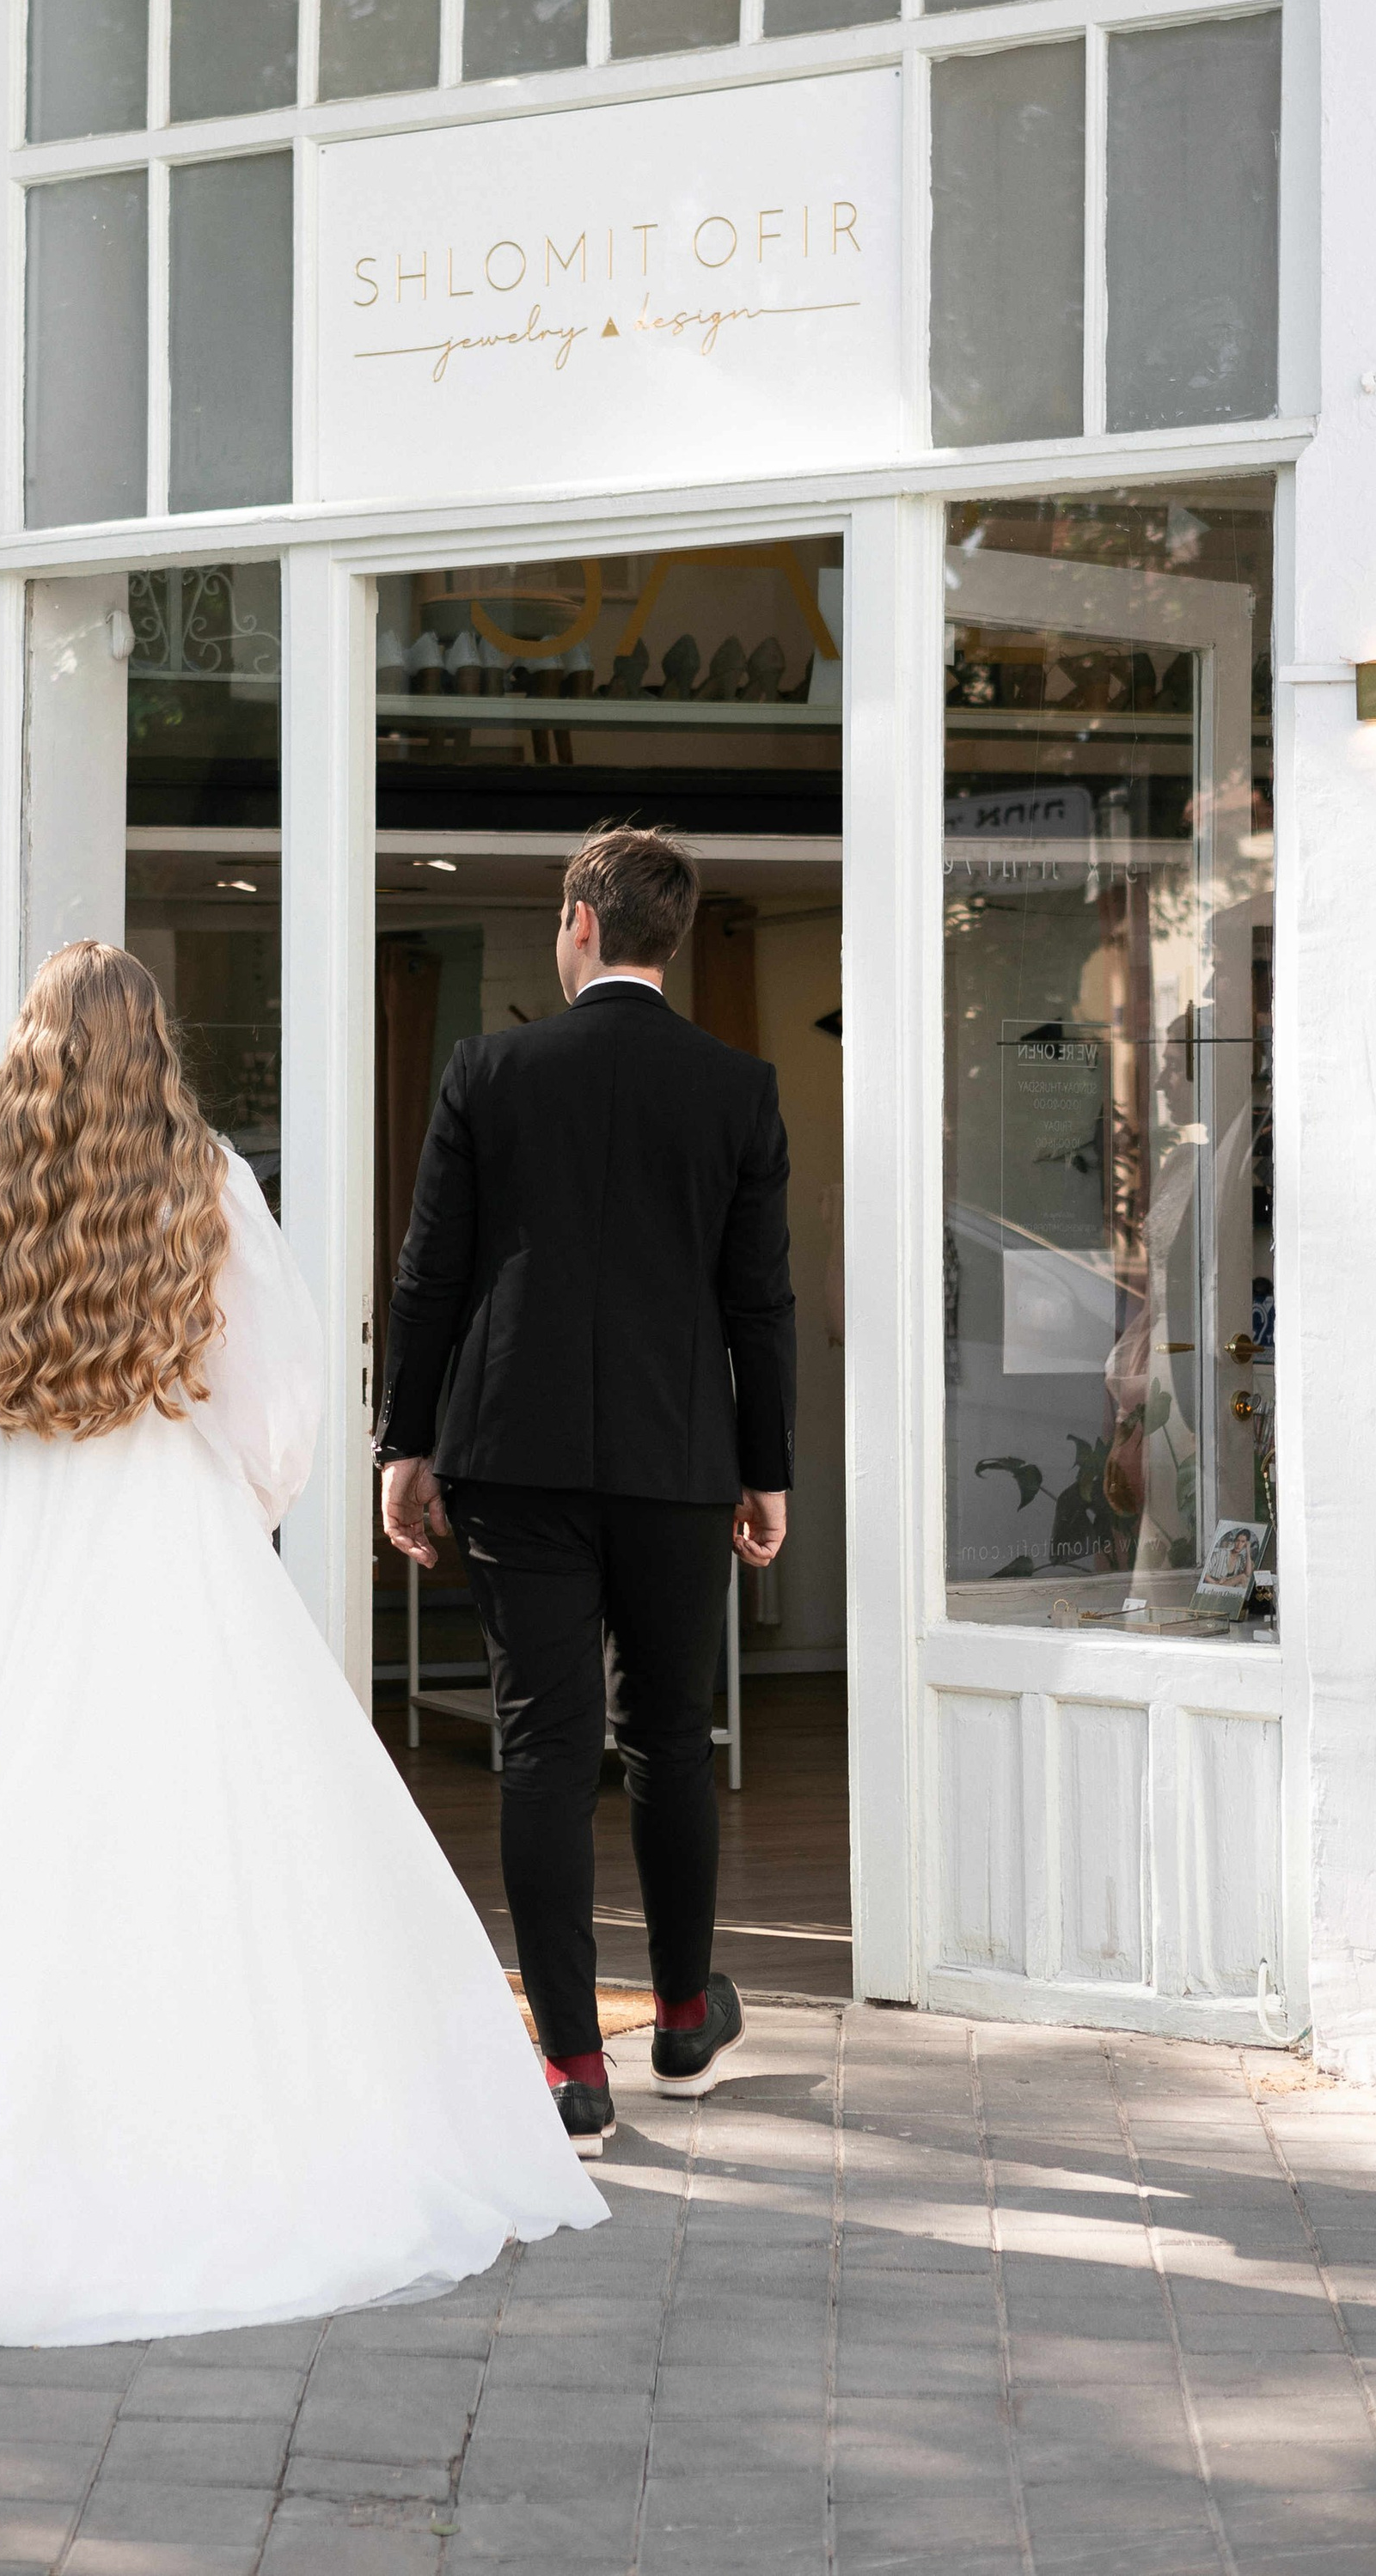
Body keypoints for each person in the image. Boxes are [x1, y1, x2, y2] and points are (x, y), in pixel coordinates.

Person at [0, 942, 603, 2353]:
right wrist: (222, 1502)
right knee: (180, 1843)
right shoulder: (212, 1186)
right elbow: (276, 1421)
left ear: (31, 1042)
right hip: (166, 1533)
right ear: (158, 1049)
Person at [376, 826, 795, 2156]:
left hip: (517, 1458)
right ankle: (679, 2018)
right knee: (669, 1738)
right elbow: (759, 1302)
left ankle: (571, 2070)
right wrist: (766, 1467)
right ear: (664, 940)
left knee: (543, 1750)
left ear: (576, 921)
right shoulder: (738, 1088)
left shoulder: (487, 1072)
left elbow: (428, 1274)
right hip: (681, 1465)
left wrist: (404, 1444)